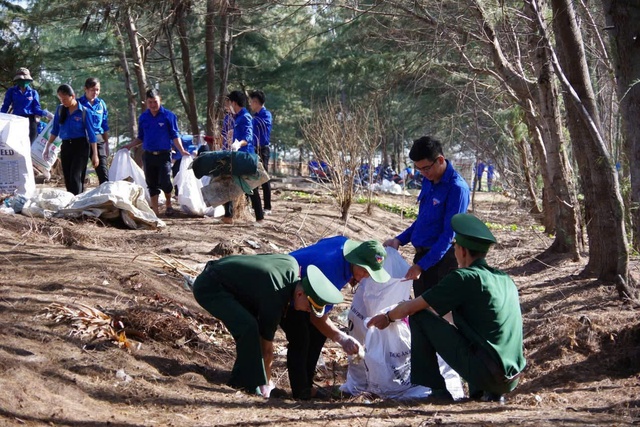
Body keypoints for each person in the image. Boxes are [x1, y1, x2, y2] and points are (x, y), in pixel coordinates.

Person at [368, 213, 526, 403]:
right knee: (475, 332)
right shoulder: (504, 279)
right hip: (510, 378)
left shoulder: (464, 277)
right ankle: (488, 394)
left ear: (463, 251)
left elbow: (413, 308)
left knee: (419, 316)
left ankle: (438, 391)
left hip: (487, 373)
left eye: (455, 248)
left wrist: (388, 317)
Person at [192, 254, 343, 397]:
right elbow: (266, 349)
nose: (307, 311)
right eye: (309, 307)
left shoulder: (291, 265)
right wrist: (267, 383)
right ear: (299, 295)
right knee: (249, 327)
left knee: (250, 326)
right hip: (210, 287)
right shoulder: (276, 298)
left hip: (222, 277)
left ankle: (244, 376)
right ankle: (244, 385)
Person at [284, 237, 391, 399]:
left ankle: (306, 384)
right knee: (301, 338)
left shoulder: (344, 245)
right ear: (355, 260)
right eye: (363, 271)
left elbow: (322, 242)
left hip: (305, 289)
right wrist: (342, 338)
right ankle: (301, 392)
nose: (365, 277)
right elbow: (317, 317)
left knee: (319, 335)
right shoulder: (330, 272)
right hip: (287, 291)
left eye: (369, 273)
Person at [383, 136, 469, 297]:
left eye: (426, 168)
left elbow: (449, 235)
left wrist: (421, 266)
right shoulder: (429, 181)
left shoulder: (457, 189)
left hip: (441, 261)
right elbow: (423, 220)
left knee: (436, 315)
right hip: (422, 257)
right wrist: (399, 240)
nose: (423, 173)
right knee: (419, 313)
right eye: (419, 169)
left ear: (440, 160)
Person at [121, 89, 189, 216]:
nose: (153, 105)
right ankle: (155, 211)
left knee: (165, 181)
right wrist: (129, 145)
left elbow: (175, 135)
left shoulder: (169, 116)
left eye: (155, 102)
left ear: (160, 100)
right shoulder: (143, 118)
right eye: (150, 102)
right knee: (151, 183)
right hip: (148, 155)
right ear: (146, 102)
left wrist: (182, 150)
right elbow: (140, 137)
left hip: (164, 155)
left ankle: (169, 203)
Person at [43, 84, 99, 195]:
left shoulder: (84, 112)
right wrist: (47, 147)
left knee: (75, 176)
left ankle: (76, 203)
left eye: (64, 99)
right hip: (66, 146)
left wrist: (95, 155)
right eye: (60, 99)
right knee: (68, 177)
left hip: (81, 146)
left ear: (72, 96)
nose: (62, 101)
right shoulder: (60, 110)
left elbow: (92, 135)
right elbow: (55, 131)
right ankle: (74, 201)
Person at [221, 90, 264, 225]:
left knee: (250, 187)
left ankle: (259, 218)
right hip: (235, 155)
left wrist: (239, 143)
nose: (228, 105)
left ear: (234, 102)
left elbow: (248, 137)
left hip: (245, 156)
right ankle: (228, 216)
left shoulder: (245, 116)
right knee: (228, 183)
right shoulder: (235, 117)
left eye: (229, 102)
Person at [1, 67, 53, 143]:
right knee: (16, 144)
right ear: (17, 80)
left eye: (25, 80)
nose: (23, 82)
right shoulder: (12, 91)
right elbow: (5, 106)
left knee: (30, 144)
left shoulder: (33, 92)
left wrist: (47, 114)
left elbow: (36, 109)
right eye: (21, 80)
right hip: (16, 120)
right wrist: (1, 117)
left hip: (30, 121)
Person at [78, 77, 110, 185]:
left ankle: (105, 198)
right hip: (82, 138)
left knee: (103, 172)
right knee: (79, 173)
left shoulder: (101, 104)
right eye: (92, 90)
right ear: (85, 89)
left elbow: (104, 124)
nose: (95, 92)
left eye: (97, 90)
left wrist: (107, 144)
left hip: (98, 137)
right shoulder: (78, 103)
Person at [249, 90, 273, 214]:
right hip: (253, 148)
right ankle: (254, 205)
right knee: (253, 176)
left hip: (262, 149)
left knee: (264, 177)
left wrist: (252, 120)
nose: (250, 105)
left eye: (252, 102)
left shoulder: (266, 114)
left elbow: (263, 125)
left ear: (256, 102)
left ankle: (267, 207)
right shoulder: (255, 117)